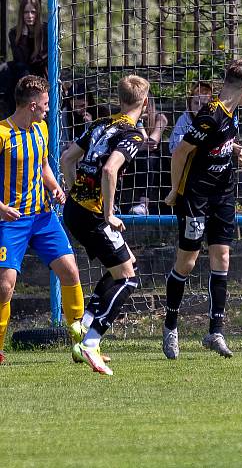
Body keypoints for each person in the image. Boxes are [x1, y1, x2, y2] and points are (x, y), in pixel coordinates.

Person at [161, 59, 242, 359]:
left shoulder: (232, 112)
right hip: (196, 197)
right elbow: (180, 153)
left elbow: (227, 142)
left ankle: (215, 331)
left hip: (223, 195)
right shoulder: (210, 116)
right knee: (187, 262)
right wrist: (176, 191)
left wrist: (241, 150)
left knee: (222, 257)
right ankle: (171, 326)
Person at [60, 75, 149, 375]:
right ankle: (91, 340)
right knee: (128, 279)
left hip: (74, 208)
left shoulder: (100, 123)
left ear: (120, 99)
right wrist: (108, 214)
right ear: (145, 104)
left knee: (126, 265)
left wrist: (76, 194)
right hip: (94, 214)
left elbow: (67, 159)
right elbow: (110, 170)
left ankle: (82, 327)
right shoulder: (133, 135)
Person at [0, 75, 85, 365]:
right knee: (5, 286)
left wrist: (54, 187)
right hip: (11, 221)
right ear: (33, 105)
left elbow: (44, 164)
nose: (49, 109)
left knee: (70, 272)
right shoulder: (2, 133)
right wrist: (1, 208)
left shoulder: (42, 129)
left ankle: (83, 345)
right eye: (46, 104)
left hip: (43, 217)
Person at [0, 0, 47, 113]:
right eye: (26, 12)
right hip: (23, 74)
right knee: (8, 68)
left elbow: (42, 58)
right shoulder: (14, 33)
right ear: (21, 13)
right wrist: (24, 36)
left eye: (33, 12)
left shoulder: (45, 30)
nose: (29, 16)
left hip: (40, 72)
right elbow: (20, 59)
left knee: (22, 69)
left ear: (38, 13)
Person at [127, 97, 169, 215]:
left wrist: (139, 122)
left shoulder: (160, 118)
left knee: (147, 157)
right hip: (131, 160)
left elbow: (150, 142)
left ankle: (143, 204)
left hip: (153, 164)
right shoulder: (127, 120)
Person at [169, 82, 213, 154]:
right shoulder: (184, 119)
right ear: (190, 101)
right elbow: (172, 147)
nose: (199, 108)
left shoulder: (215, 118)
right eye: (196, 103)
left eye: (204, 104)